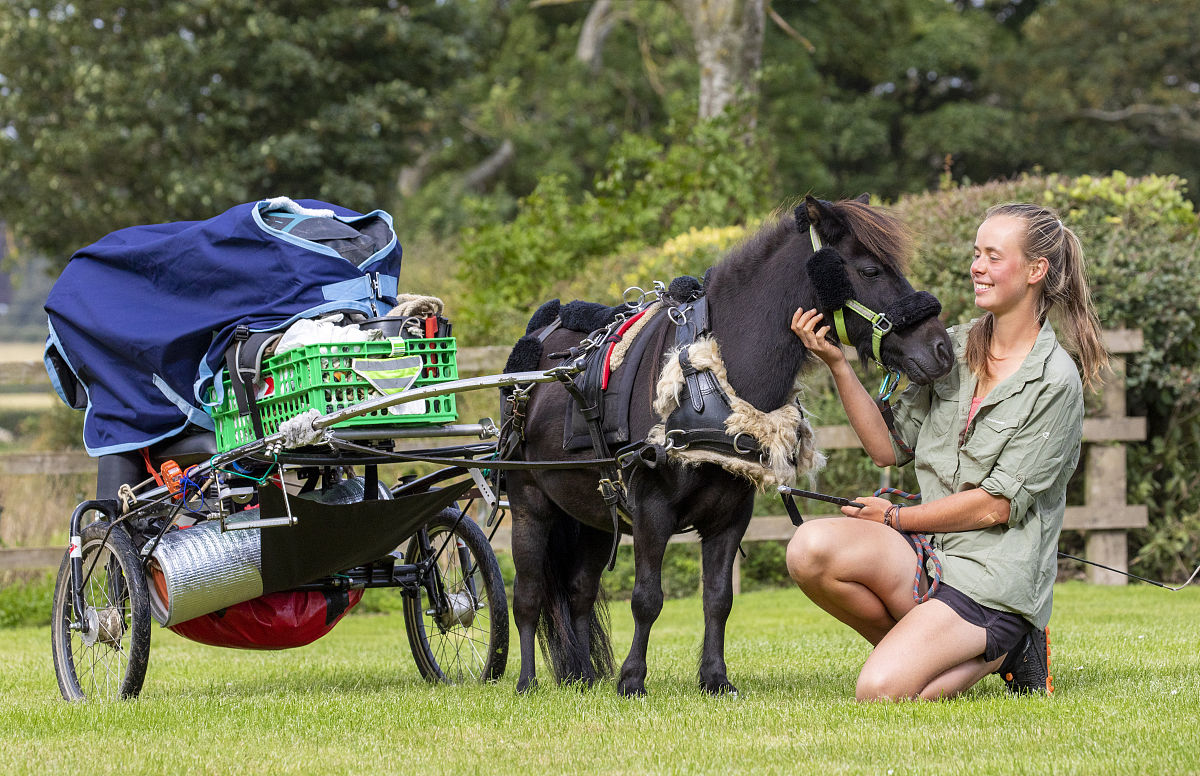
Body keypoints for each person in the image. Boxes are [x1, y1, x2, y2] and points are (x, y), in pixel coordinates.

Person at [787, 202, 1106, 701]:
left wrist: (893, 519)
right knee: (809, 549)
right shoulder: (953, 349)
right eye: (976, 253)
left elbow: (994, 505)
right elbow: (887, 448)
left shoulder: (1055, 382)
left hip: (993, 580)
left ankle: (1008, 645)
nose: (976, 266)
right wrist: (838, 364)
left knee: (879, 691)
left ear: (1036, 271)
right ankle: (933, 648)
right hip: (931, 556)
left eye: (993, 256)